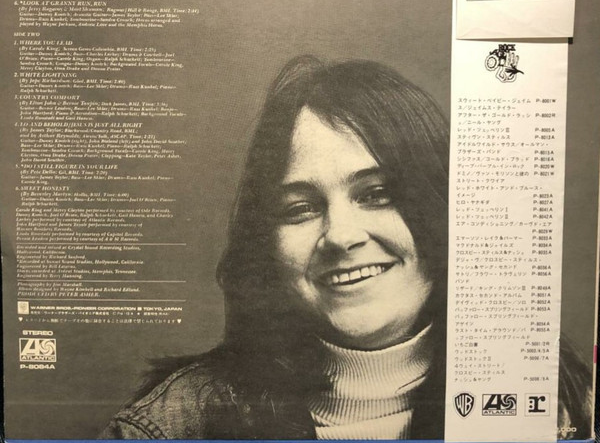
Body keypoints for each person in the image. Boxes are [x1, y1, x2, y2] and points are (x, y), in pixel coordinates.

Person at [100, 55, 591, 440]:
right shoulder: (173, 426)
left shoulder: (562, 400)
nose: (340, 235)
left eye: (377, 194)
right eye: (299, 208)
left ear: (442, 208)